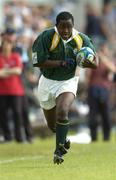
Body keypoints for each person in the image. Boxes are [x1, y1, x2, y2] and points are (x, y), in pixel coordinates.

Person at [32, 11, 98, 164]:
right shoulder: (46, 37)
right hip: (47, 82)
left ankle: (58, 151)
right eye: (62, 27)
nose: (66, 31)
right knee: (52, 125)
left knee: (63, 110)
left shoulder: (81, 39)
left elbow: (95, 58)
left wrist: (93, 64)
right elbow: (37, 61)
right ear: (56, 26)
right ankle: (64, 137)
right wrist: (60, 63)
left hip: (68, 81)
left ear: (73, 26)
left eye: (69, 27)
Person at [0, 27, 33, 143]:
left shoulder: (18, 49)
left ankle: (28, 136)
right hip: (5, 86)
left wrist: (6, 71)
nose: (8, 38)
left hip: (19, 83)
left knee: (22, 111)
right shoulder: (2, 50)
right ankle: (8, 136)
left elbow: (22, 67)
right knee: (4, 113)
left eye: (10, 35)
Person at [86, 41, 116, 142]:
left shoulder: (109, 61)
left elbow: (113, 69)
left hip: (104, 89)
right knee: (93, 116)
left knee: (106, 115)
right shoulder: (94, 61)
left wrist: (103, 58)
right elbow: (87, 75)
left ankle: (106, 137)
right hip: (93, 88)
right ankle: (93, 138)